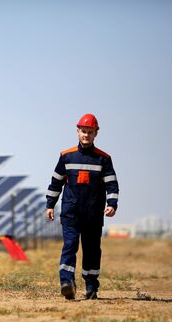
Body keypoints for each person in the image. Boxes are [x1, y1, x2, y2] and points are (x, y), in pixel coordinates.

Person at [45, 113, 119, 300]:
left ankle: (91, 286)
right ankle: (67, 283)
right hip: (71, 212)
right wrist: (50, 205)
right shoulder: (66, 157)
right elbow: (55, 183)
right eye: (83, 131)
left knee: (92, 250)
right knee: (70, 246)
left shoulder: (104, 159)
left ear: (96, 133)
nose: (86, 135)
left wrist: (112, 204)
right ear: (77, 132)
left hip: (93, 214)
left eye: (90, 132)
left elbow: (112, 184)